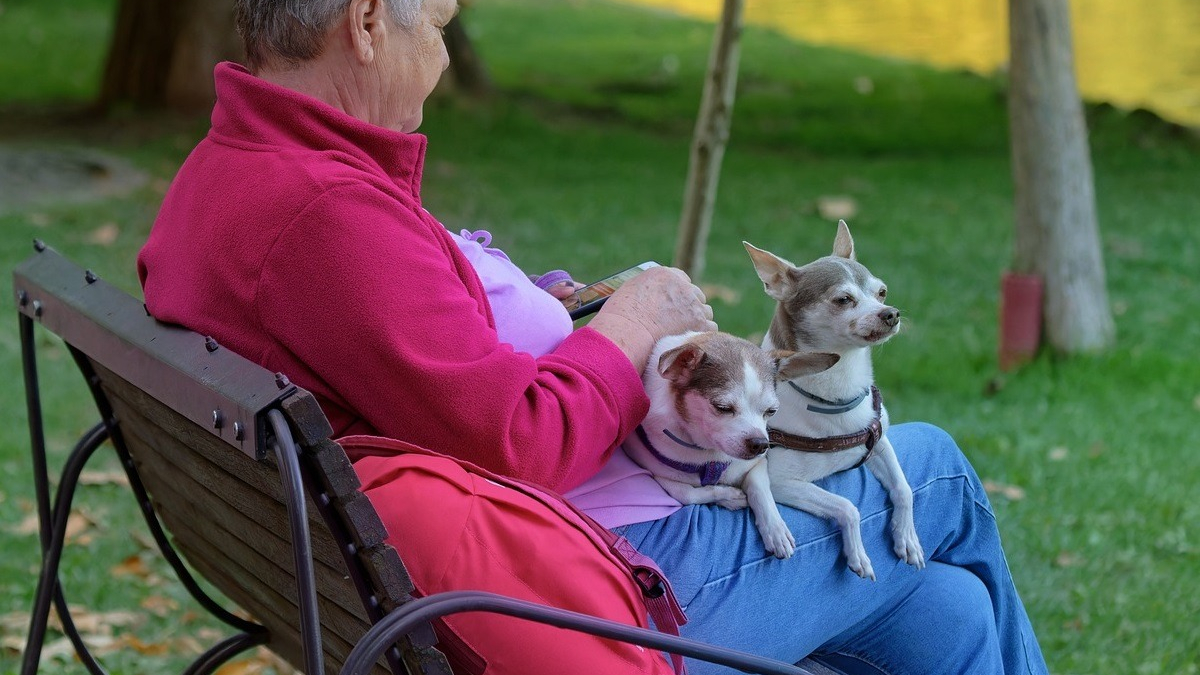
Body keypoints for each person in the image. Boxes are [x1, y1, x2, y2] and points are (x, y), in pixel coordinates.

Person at [137, 1, 1050, 673]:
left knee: (951, 611)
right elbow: (517, 440)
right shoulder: (326, 214)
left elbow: (416, 354)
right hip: (584, 592)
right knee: (932, 470)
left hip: (389, 577)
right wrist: (629, 326)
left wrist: (549, 309)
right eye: (440, 28)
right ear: (370, 23)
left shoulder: (233, 171)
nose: (446, 59)